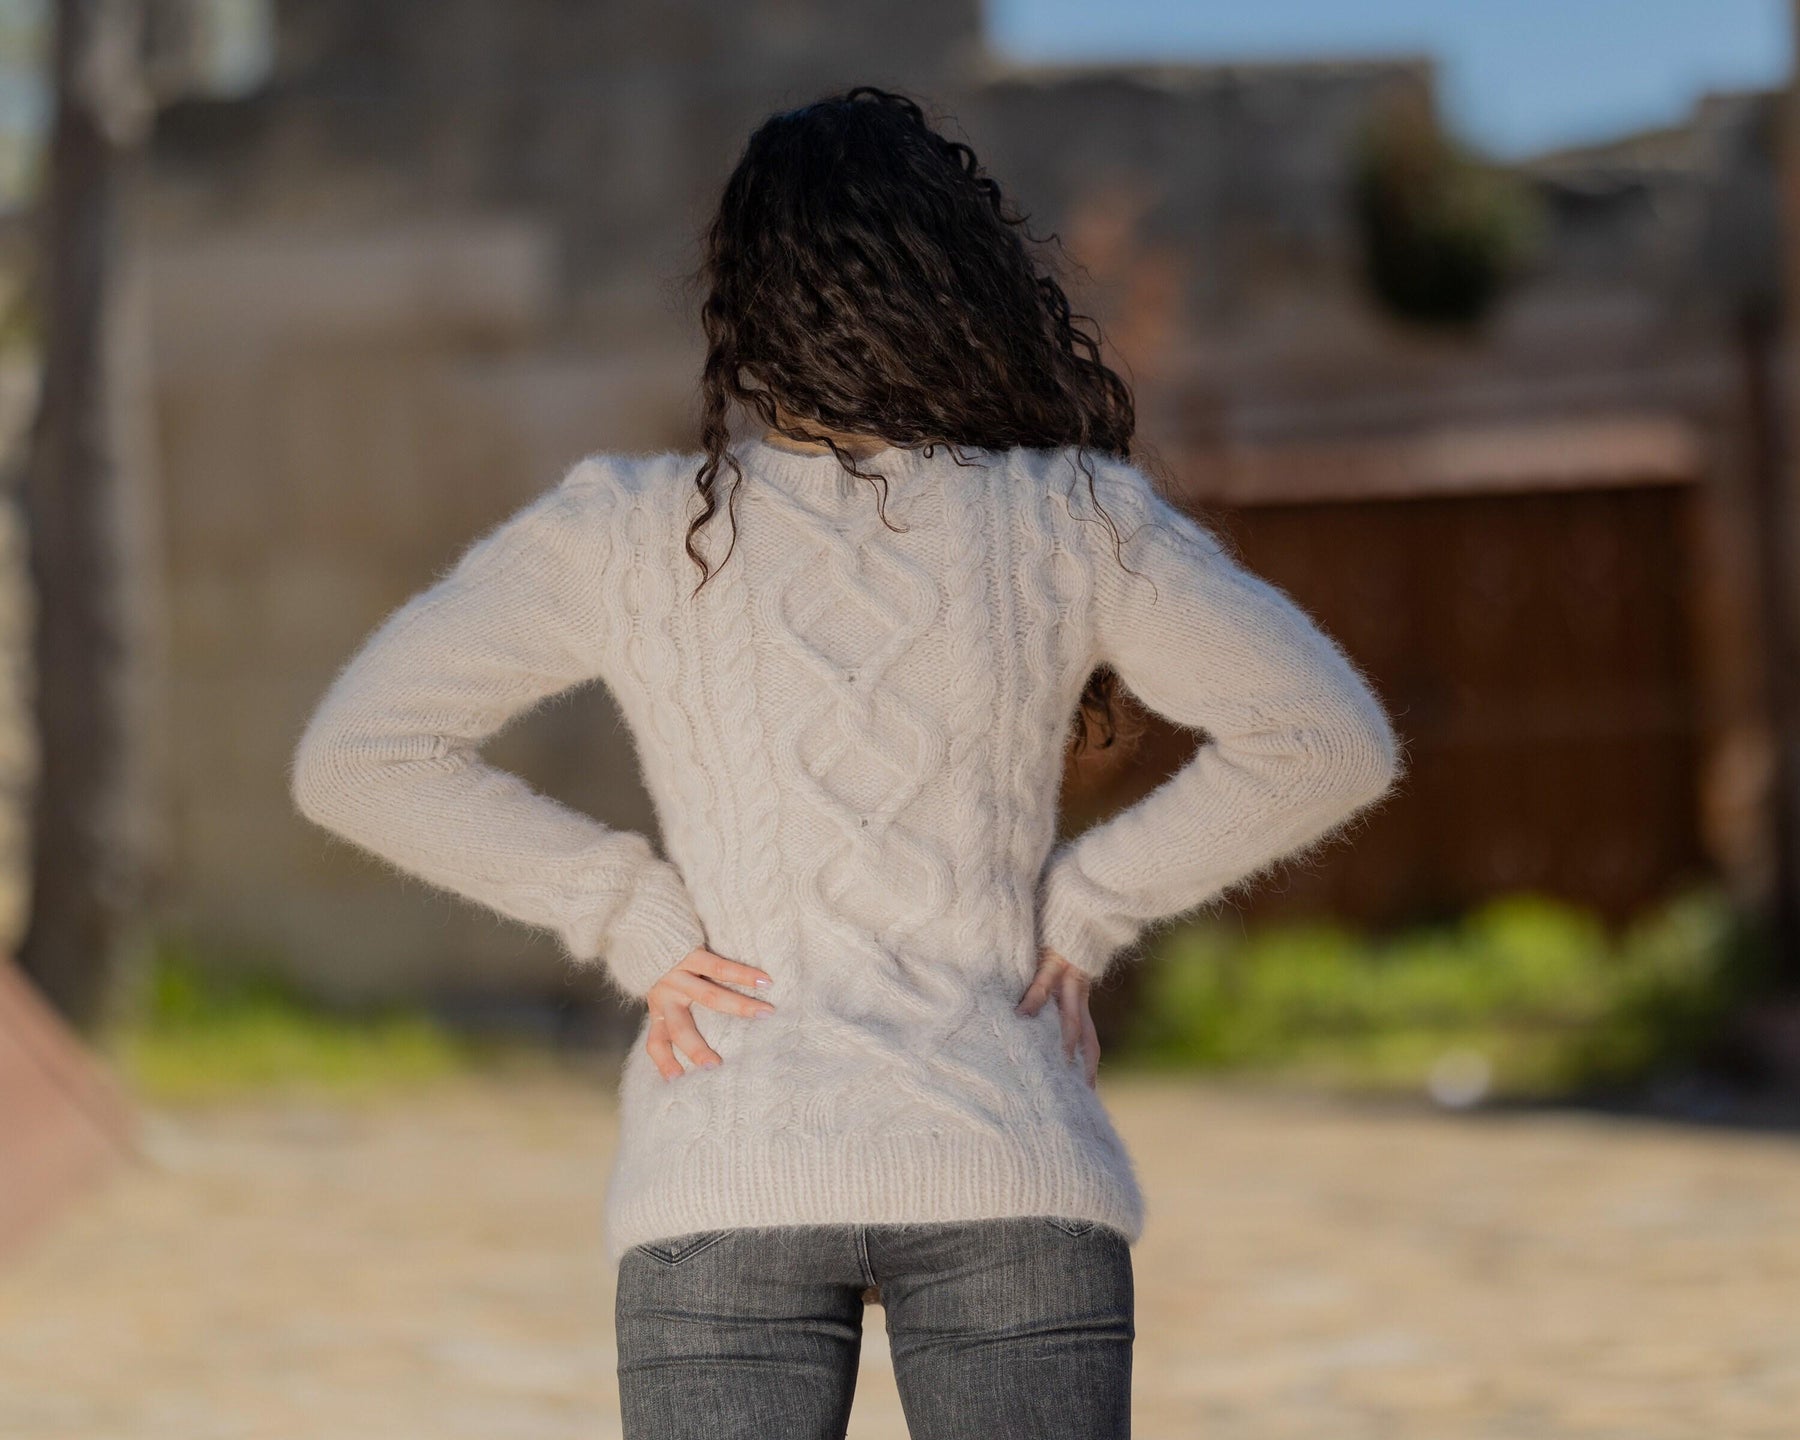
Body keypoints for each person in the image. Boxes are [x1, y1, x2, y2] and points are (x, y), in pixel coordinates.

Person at [288, 85, 1405, 1440]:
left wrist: (625, 910)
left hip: (728, 1161)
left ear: (745, 305)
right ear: (963, 284)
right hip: (1005, 1157)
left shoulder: (628, 533)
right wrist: (1089, 906)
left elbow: (362, 755)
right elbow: (1325, 740)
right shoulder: (1067, 518)